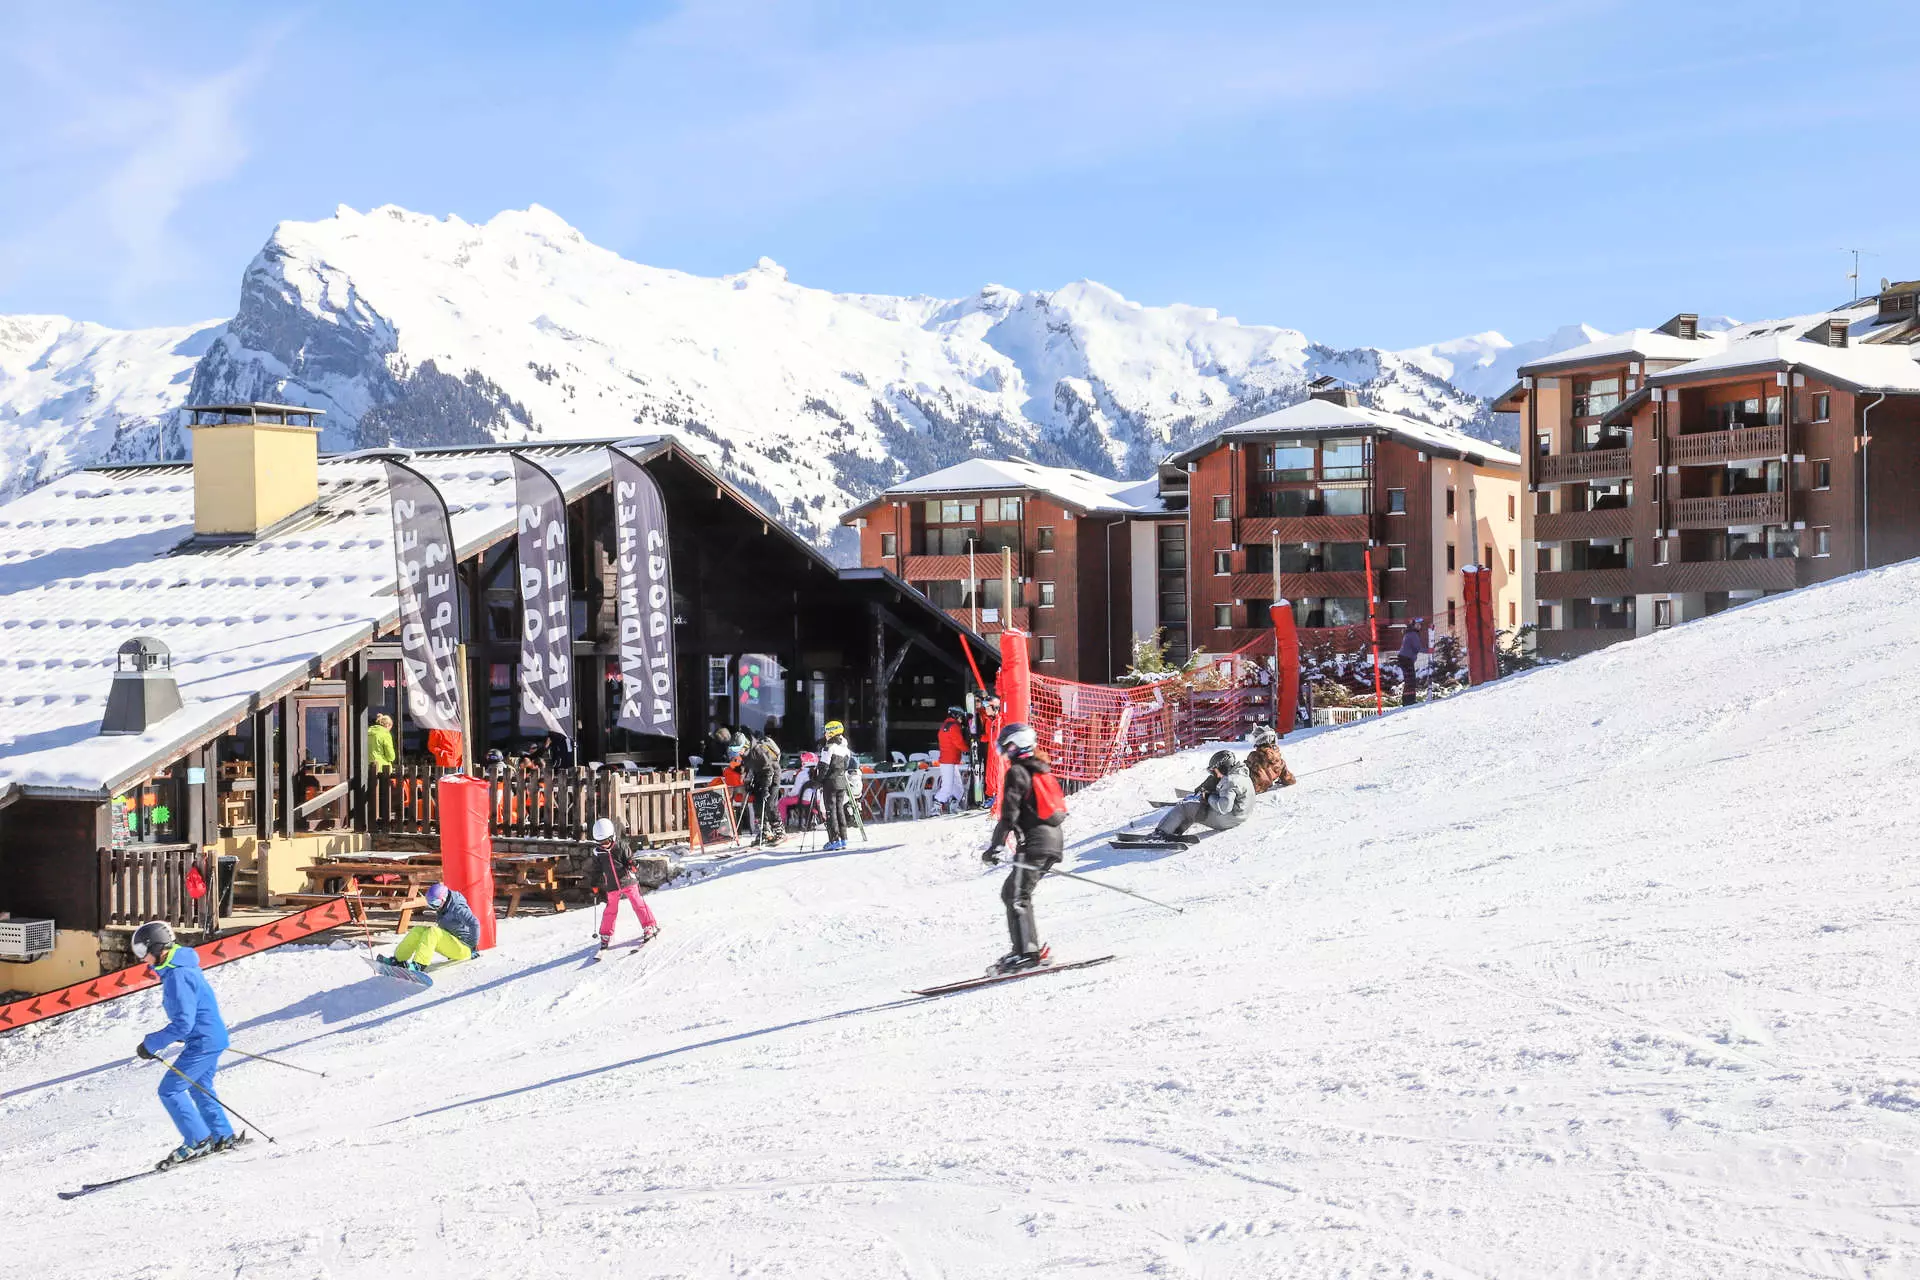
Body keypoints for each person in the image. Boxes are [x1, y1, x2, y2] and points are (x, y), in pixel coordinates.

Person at [131, 920, 238, 1168]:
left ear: (157, 947)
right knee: (200, 1087)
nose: (141, 958)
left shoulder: (177, 975)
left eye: (142, 951)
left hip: (203, 1042)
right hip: (209, 1037)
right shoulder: (180, 968)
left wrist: (150, 1044)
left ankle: (198, 1140)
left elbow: (183, 1023)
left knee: (170, 1090)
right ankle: (222, 1135)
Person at [981, 723, 1067, 974]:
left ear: (1016, 745)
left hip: (1034, 843)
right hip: (1051, 842)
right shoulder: (1039, 769)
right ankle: (1027, 948)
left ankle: (1027, 954)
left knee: (1016, 895)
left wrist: (995, 847)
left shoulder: (1017, 772)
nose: (1004, 752)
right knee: (1015, 892)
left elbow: (1009, 815)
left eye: (1006, 746)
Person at [589, 816, 661, 951]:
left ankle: (649, 926)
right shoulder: (598, 852)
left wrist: (632, 864)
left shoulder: (621, 846)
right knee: (610, 910)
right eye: (600, 842)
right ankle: (606, 934)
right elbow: (596, 870)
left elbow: (629, 860)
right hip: (612, 884)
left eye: (606, 841)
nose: (603, 844)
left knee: (638, 903)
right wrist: (594, 883)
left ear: (612, 837)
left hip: (627, 880)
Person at [1153, 749, 1254, 841]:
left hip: (1228, 819)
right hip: (1240, 816)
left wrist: (1209, 796)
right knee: (1194, 809)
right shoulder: (1241, 773)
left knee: (1184, 807)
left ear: (1223, 767)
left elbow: (1224, 807)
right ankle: (1175, 831)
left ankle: (1160, 833)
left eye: (1215, 771)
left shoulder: (1230, 780)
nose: (1215, 775)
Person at [390, 882, 479, 971]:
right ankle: (398, 959)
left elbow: (474, 923)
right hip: (453, 942)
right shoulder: (444, 905)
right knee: (418, 930)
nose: (433, 907)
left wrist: (473, 946)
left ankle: (419, 965)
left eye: (435, 903)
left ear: (443, 899)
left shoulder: (457, 908)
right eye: (430, 904)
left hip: (464, 949)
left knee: (433, 932)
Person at [818, 720, 855, 851]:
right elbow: (846, 766)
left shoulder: (829, 747)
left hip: (830, 782)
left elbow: (824, 767)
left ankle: (834, 840)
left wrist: (817, 781)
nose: (825, 734)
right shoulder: (846, 749)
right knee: (840, 809)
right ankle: (843, 839)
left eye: (827, 731)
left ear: (831, 733)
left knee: (831, 811)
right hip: (841, 782)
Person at [743, 731, 784, 846]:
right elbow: (750, 768)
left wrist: (766, 788)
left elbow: (768, 770)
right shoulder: (746, 753)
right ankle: (765, 832)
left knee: (770, 804)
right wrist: (748, 782)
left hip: (772, 774)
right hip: (759, 776)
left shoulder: (758, 751)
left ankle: (779, 831)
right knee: (757, 804)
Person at [933, 707, 967, 814]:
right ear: (956, 716)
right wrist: (968, 748)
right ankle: (936, 807)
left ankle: (954, 806)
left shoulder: (945, 725)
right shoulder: (953, 726)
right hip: (949, 761)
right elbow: (959, 742)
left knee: (958, 787)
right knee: (947, 787)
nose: (961, 720)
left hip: (950, 760)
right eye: (960, 717)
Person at [1244, 725, 1297, 793]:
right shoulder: (1279, 759)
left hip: (1255, 787)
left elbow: (1245, 770)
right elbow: (1288, 778)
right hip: (1265, 785)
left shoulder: (1254, 756)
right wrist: (1288, 780)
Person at [1398, 618, 1428, 707]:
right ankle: (1409, 701)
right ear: (1413, 625)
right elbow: (1417, 648)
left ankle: (1407, 700)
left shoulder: (1410, 633)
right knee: (1410, 680)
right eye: (1417, 625)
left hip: (1405, 658)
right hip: (1406, 659)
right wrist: (1429, 650)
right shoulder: (1413, 634)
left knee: (1409, 680)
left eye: (1420, 625)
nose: (1419, 626)